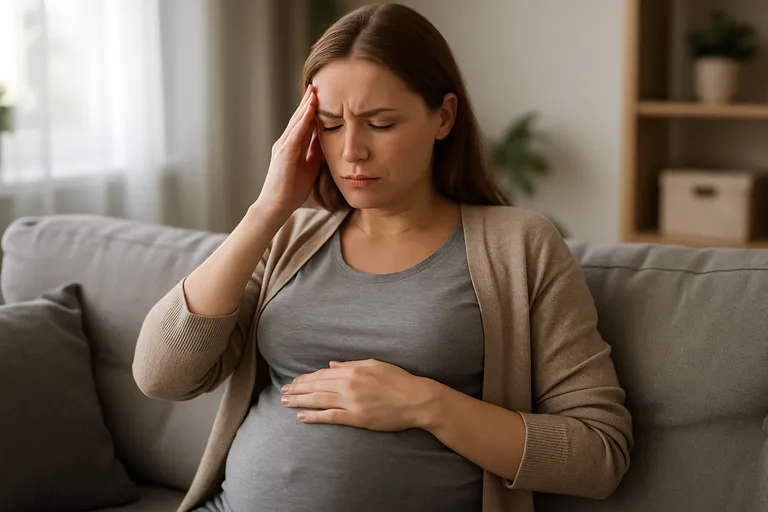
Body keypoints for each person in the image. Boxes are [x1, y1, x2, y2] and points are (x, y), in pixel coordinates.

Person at [133, 4, 633, 512]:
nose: (352, 150)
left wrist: (426, 404)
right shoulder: (289, 237)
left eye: (380, 123)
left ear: (444, 116)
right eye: (329, 125)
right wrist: (267, 211)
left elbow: (599, 455)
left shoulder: (519, 245)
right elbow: (161, 376)